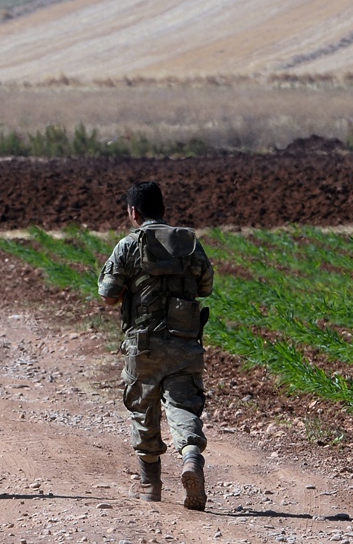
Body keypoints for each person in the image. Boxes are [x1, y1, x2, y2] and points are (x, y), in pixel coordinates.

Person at [98, 181, 214, 510]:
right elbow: (206, 285)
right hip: (184, 342)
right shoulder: (188, 243)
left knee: (143, 410)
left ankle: (150, 484)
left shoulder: (128, 245)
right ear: (163, 209)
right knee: (182, 407)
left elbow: (108, 294)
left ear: (134, 213)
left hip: (143, 344)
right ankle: (191, 458)